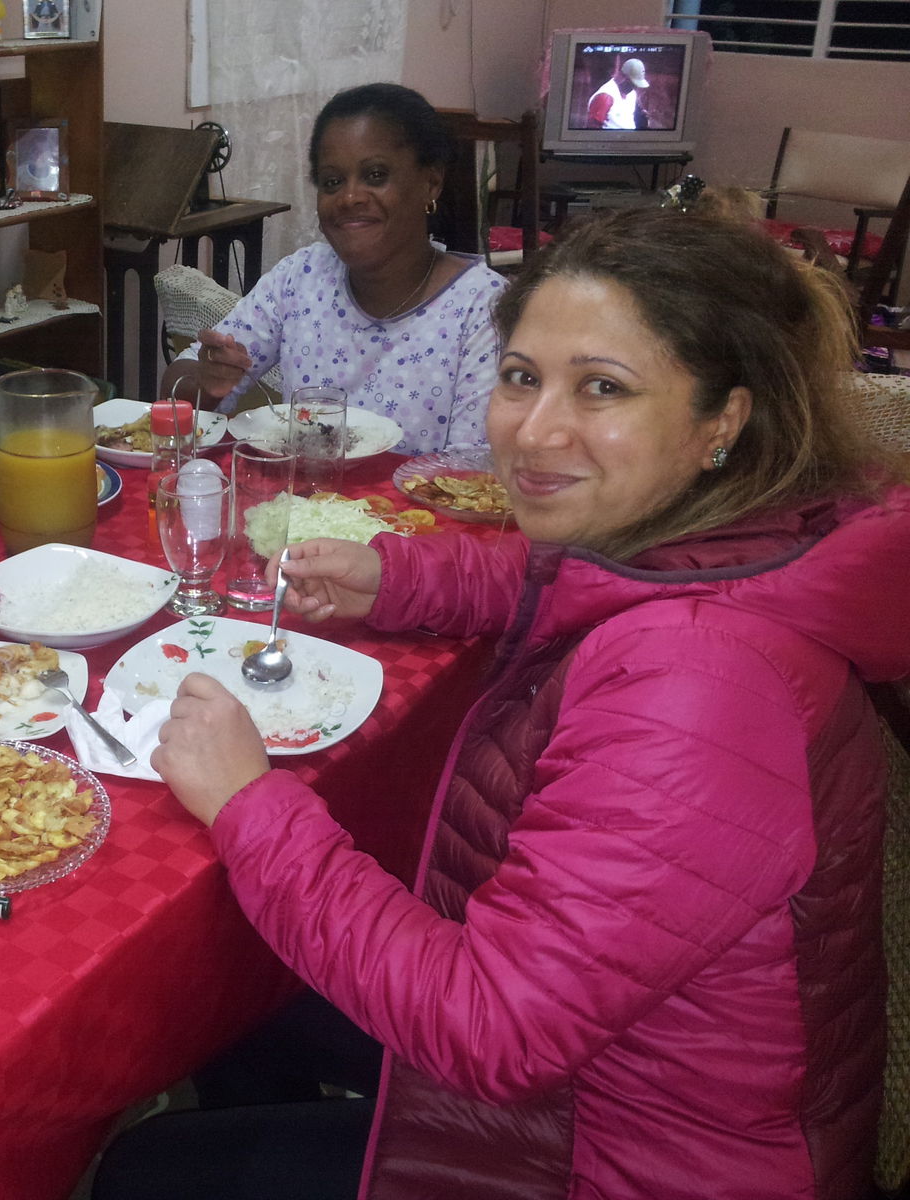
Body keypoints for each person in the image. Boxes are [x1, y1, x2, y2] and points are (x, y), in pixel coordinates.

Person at [98, 207, 910, 1198]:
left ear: (722, 422)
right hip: (607, 1077)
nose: (532, 431)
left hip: (613, 1158)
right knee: (239, 998)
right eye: (522, 376)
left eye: (601, 388)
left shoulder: (702, 688)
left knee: (145, 1169)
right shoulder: (749, 539)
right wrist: (390, 577)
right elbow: (559, 577)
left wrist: (248, 802)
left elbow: (493, 1030)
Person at [159, 83, 506, 454]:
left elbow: (474, 475)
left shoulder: (482, 309)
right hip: (301, 505)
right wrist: (206, 380)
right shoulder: (302, 279)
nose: (350, 197)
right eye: (332, 182)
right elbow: (173, 390)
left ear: (431, 182)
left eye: (375, 175)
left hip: (419, 512)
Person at [588, 56, 649, 129]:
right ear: (623, 78)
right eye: (633, 83)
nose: (635, 87)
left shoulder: (632, 94)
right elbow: (593, 128)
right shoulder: (605, 96)